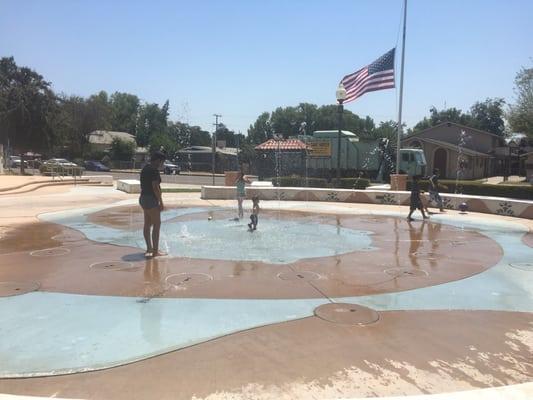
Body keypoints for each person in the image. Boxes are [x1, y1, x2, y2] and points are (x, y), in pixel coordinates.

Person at [139, 151, 166, 257]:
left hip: (143, 198)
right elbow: (155, 187)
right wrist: (161, 202)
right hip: (151, 199)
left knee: (147, 224)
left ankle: (149, 249)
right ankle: (155, 251)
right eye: (162, 162)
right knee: (156, 224)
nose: (162, 164)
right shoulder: (154, 170)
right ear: (158, 161)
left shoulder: (145, 168)